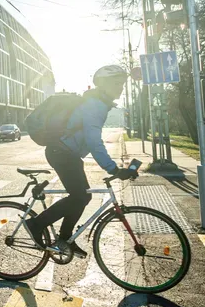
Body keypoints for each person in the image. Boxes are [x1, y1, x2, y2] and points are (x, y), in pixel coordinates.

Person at [26, 65, 137, 257]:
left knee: (83, 196)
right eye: (116, 83)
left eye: (122, 83)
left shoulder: (98, 104)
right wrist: (113, 169)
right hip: (61, 153)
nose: (120, 87)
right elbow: (94, 142)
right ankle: (36, 225)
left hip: (67, 154)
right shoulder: (94, 106)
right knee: (79, 196)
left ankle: (64, 239)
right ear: (103, 85)